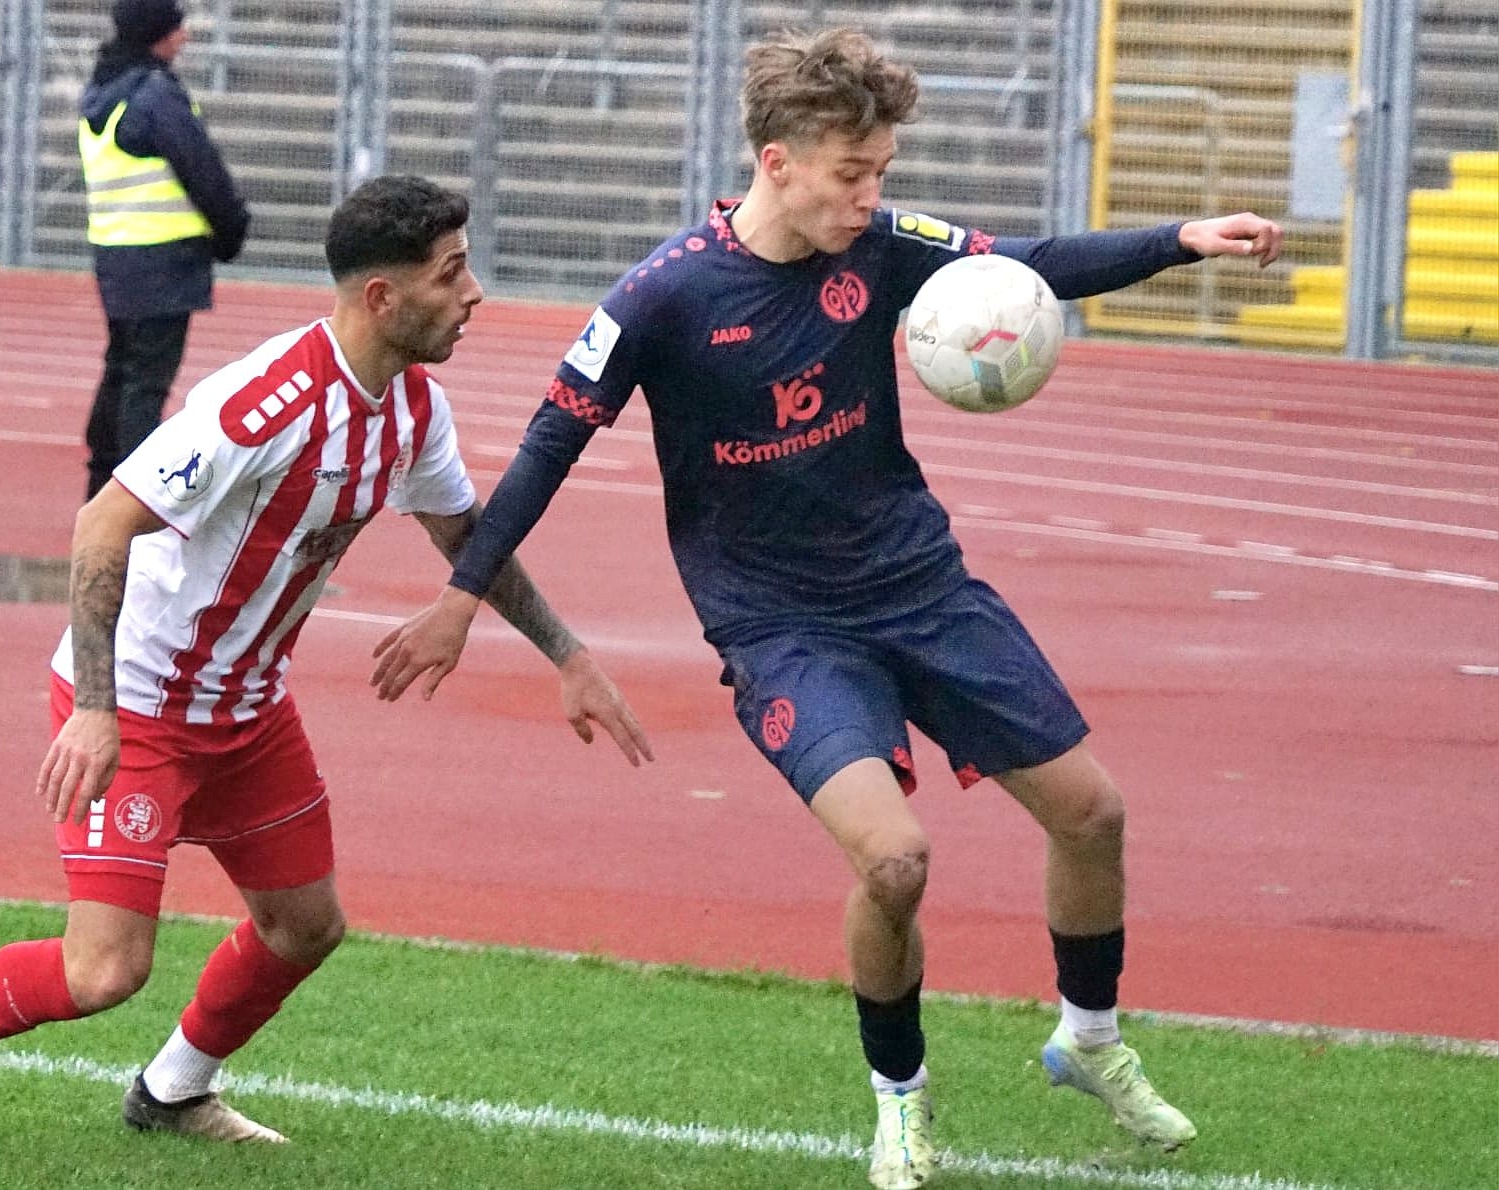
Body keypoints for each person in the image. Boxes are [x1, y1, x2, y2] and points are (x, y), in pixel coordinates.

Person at [368, 27, 1282, 1190]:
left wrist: (1181, 239)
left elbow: (1028, 263)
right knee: (894, 862)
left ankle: (1089, 1040)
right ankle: (900, 1097)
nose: (871, 195)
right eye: (853, 173)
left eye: (881, 171)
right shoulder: (661, 296)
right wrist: (460, 598)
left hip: (922, 587)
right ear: (778, 162)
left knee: (1094, 814)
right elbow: (550, 445)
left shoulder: (887, 247)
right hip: (782, 627)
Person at [0, 174, 652, 1150]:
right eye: (451, 272)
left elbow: (467, 538)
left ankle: (171, 1090)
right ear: (382, 296)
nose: (474, 292)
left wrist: (568, 655)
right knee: (103, 971)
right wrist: (96, 708)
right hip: (139, 705)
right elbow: (100, 526)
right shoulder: (264, 404)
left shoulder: (415, 409)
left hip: (248, 713)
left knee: (306, 925)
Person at [79, 0, 251, 500]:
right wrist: (232, 230)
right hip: (163, 261)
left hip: (116, 256)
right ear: (157, 33)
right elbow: (203, 171)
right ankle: (133, 500)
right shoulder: (154, 95)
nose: (185, 35)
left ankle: (100, 484)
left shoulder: (104, 90)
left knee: (121, 371)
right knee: (145, 385)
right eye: (177, 26)